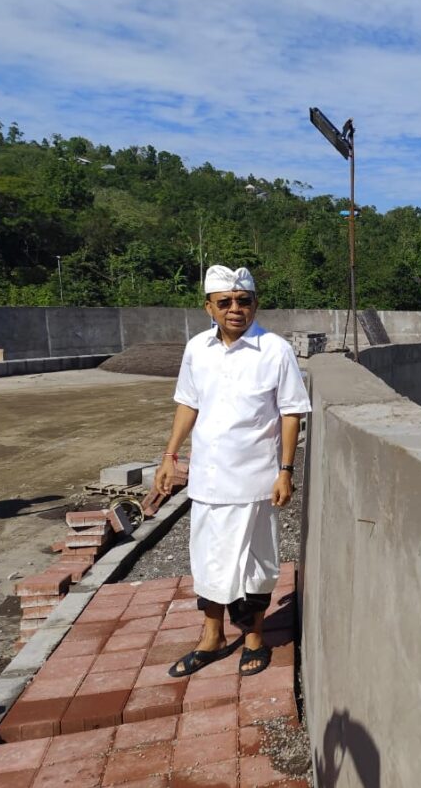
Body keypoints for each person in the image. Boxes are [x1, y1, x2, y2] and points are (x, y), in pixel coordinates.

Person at [155, 265, 311, 677]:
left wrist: (285, 471)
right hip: (208, 480)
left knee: (256, 562)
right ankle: (213, 636)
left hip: (256, 481)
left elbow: (291, 412)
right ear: (209, 306)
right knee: (208, 562)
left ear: (255, 303)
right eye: (224, 302)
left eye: (243, 301)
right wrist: (169, 456)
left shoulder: (275, 350)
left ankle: (255, 638)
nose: (235, 309)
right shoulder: (197, 349)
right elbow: (188, 404)